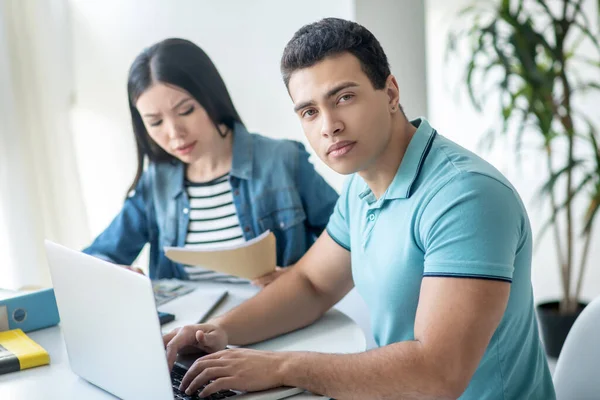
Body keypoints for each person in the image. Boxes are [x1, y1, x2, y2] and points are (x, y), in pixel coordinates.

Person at [162, 19, 556, 399]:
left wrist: (281, 367)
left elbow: (439, 373)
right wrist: (216, 331)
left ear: (390, 93)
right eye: (309, 111)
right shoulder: (360, 184)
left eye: (344, 98)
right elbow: (311, 285)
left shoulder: (466, 197)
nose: (328, 125)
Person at [83, 38, 338, 287]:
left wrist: (299, 274)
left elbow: (350, 237)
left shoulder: (282, 160)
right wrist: (114, 274)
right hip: (191, 328)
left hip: (281, 319)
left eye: (186, 111)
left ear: (211, 98)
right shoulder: (155, 184)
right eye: (155, 122)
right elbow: (96, 258)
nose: (174, 133)